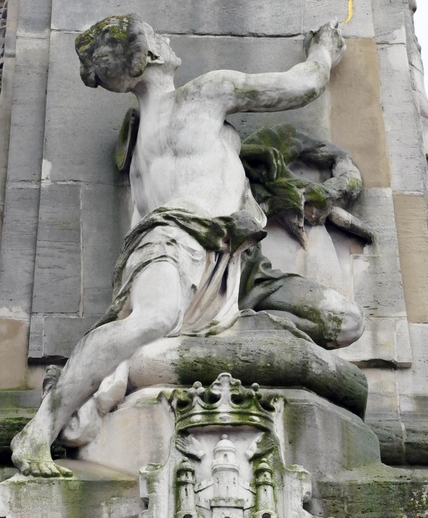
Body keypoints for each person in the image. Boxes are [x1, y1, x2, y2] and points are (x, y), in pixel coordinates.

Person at [12, 14, 351, 477]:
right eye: (158, 36)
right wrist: (325, 49)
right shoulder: (208, 92)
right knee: (151, 319)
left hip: (241, 262)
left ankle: (227, 334)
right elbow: (304, 86)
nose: (169, 38)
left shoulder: (141, 143)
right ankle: (37, 432)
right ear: (151, 55)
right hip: (174, 243)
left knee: (345, 322)